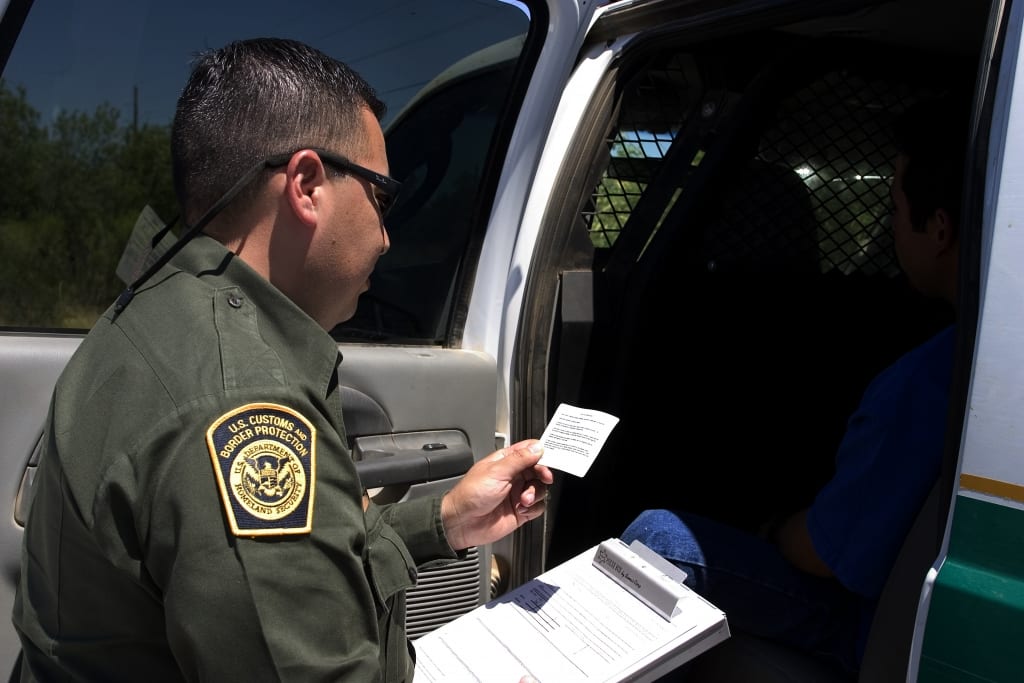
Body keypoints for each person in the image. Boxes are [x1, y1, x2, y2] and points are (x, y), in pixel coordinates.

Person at [11, 37, 552, 683]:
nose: (385, 234)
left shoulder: (156, 312)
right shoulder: (239, 398)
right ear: (306, 185)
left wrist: (441, 522)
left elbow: (296, 567)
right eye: (382, 196)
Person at [621, 93, 971, 677]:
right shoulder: (971, 354)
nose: (888, 226)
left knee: (655, 536)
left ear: (938, 228)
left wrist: (775, 530)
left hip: (869, 622)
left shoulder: (924, 383)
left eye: (892, 206)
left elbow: (827, 554)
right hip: (917, 603)